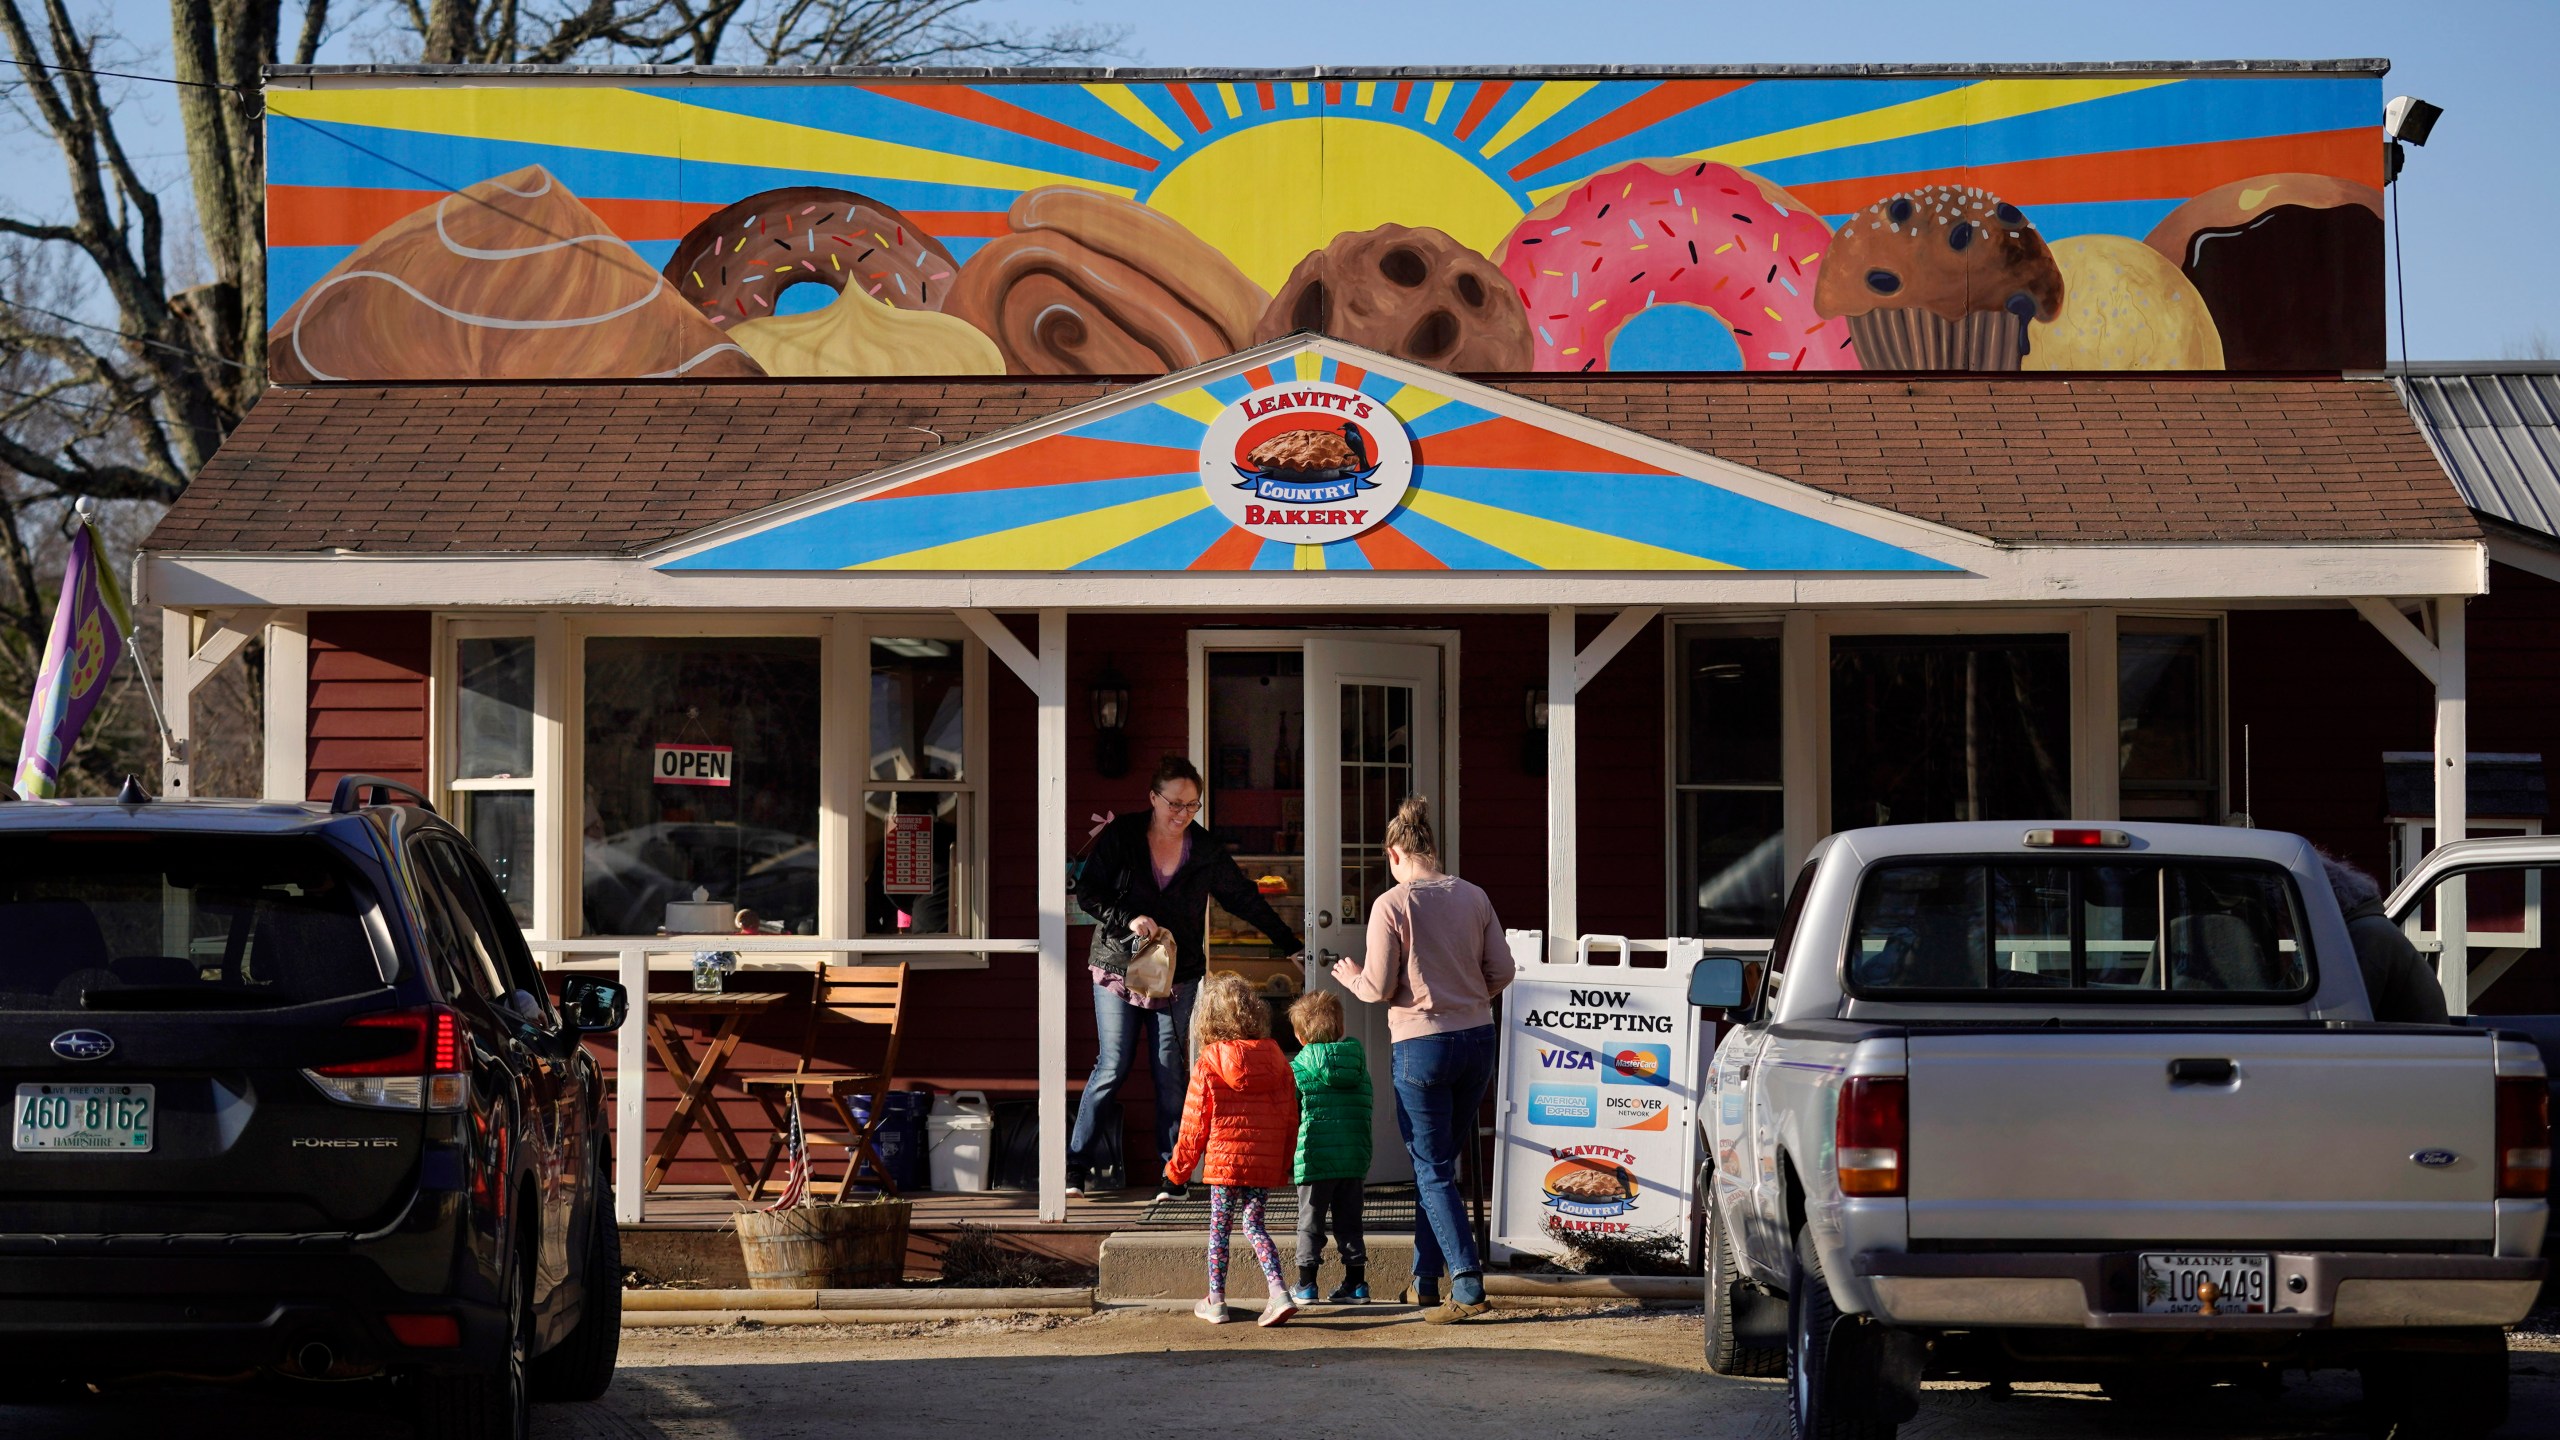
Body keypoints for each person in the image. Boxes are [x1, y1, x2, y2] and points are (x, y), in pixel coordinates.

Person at [1070, 755, 1302, 1198]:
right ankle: (1076, 1166)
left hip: (1179, 974)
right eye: (1174, 804)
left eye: (1192, 806)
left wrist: (1288, 943)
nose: (1181, 814)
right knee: (1112, 1065)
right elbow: (1088, 892)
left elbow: (1244, 900)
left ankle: (1170, 1174)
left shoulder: (1205, 850)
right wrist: (1128, 918)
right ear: (1153, 798)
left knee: (1170, 1070)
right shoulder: (1123, 835)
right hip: (1120, 965)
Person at [1329, 795, 1515, 1324]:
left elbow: (1378, 986)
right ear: (1430, 849)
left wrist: (1351, 978)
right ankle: (1424, 1281)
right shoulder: (1474, 896)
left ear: (1394, 853)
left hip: (1421, 1045)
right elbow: (1503, 969)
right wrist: (1469, 994)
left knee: (1431, 1171)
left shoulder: (1392, 903)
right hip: (1477, 1037)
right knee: (1437, 1168)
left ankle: (1468, 1280)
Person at [1166, 972, 1301, 1327]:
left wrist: (1177, 1172)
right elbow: (1290, 1119)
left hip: (1225, 1166)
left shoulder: (1209, 1061)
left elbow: (1193, 1124)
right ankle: (1279, 1292)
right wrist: (1283, 1165)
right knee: (1254, 1225)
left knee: (1219, 1229)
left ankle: (1217, 1301)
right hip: (1262, 1163)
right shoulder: (1276, 1059)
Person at [1286, 989, 1373, 1305]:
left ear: (1299, 1036)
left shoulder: (1298, 1069)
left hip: (1314, 1160)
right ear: (1341, 1029)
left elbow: (1289, 1115)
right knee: (1351, 1223)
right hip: (1353, 1159)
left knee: (1310, 1224)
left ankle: (1307, 1284)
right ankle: (1357, 1284)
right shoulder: (1359, 1066)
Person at [2321, 852, 2450, 1024]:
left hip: (2411, 1047)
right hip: (2408, 1045)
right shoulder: (2366, 929)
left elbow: (2344, 1017)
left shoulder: (2366, 935)